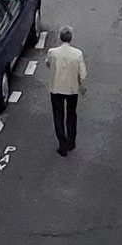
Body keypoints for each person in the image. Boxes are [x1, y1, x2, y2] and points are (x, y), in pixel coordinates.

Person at [45, 26, 88, 157]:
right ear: (71, 38)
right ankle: (71, 141)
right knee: (71, 114)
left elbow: (48, 64)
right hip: (72, 89)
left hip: (56, 88)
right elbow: (83, 74)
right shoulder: (77, 54)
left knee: (58, 115)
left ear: (60, 37)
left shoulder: (53, 52)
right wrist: (82, 87)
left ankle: (62, 144)